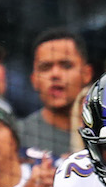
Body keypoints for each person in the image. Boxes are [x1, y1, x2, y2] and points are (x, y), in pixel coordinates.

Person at [20, 28, 92, 157]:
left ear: (87, 73)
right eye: (45, 67)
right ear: (34, 80)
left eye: (66, 65)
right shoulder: (18, 137)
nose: (55, 74)